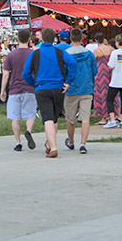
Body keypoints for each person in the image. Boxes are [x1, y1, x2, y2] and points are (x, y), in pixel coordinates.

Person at [22, 28, 77, 158]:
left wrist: (33, 83)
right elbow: (73, 64)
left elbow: (25, 73)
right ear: (54, 39)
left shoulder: (35, 54)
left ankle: (53, 147)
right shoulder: (59, 52)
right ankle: (49, 143)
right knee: (54, 118)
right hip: (58, 88)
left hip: (42, 88)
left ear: (41, 39)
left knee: (47, 118)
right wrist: (69, 81)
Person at [1, 29, 37, 151]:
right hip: (30, 88)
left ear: (17, 39)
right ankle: (28, 131)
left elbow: (5, 75)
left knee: (15, 117)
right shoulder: (33, 54)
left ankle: (18, 142)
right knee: (31, 114)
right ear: (29, 39)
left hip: (15, 89)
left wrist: (2, 90)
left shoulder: (11, 55)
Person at [64, 28, 97, 154]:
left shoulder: (66, 54)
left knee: (70, 119)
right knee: (85, 117)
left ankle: (71, 141)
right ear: (82, 38)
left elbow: (64, 70)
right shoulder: (89, 54)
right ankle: (83, 143)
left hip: (71, 89)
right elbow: (94, 71)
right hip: (86, 88)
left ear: (71, 38)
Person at [92, 35, 117, 124]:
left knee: (100, 94)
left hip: (100, 73)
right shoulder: (109, 49)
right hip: (109, 72)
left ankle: (103, 117)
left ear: (96, 40)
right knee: (110, 94)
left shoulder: (97, 51)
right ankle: (112, 114)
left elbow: (93, 62)